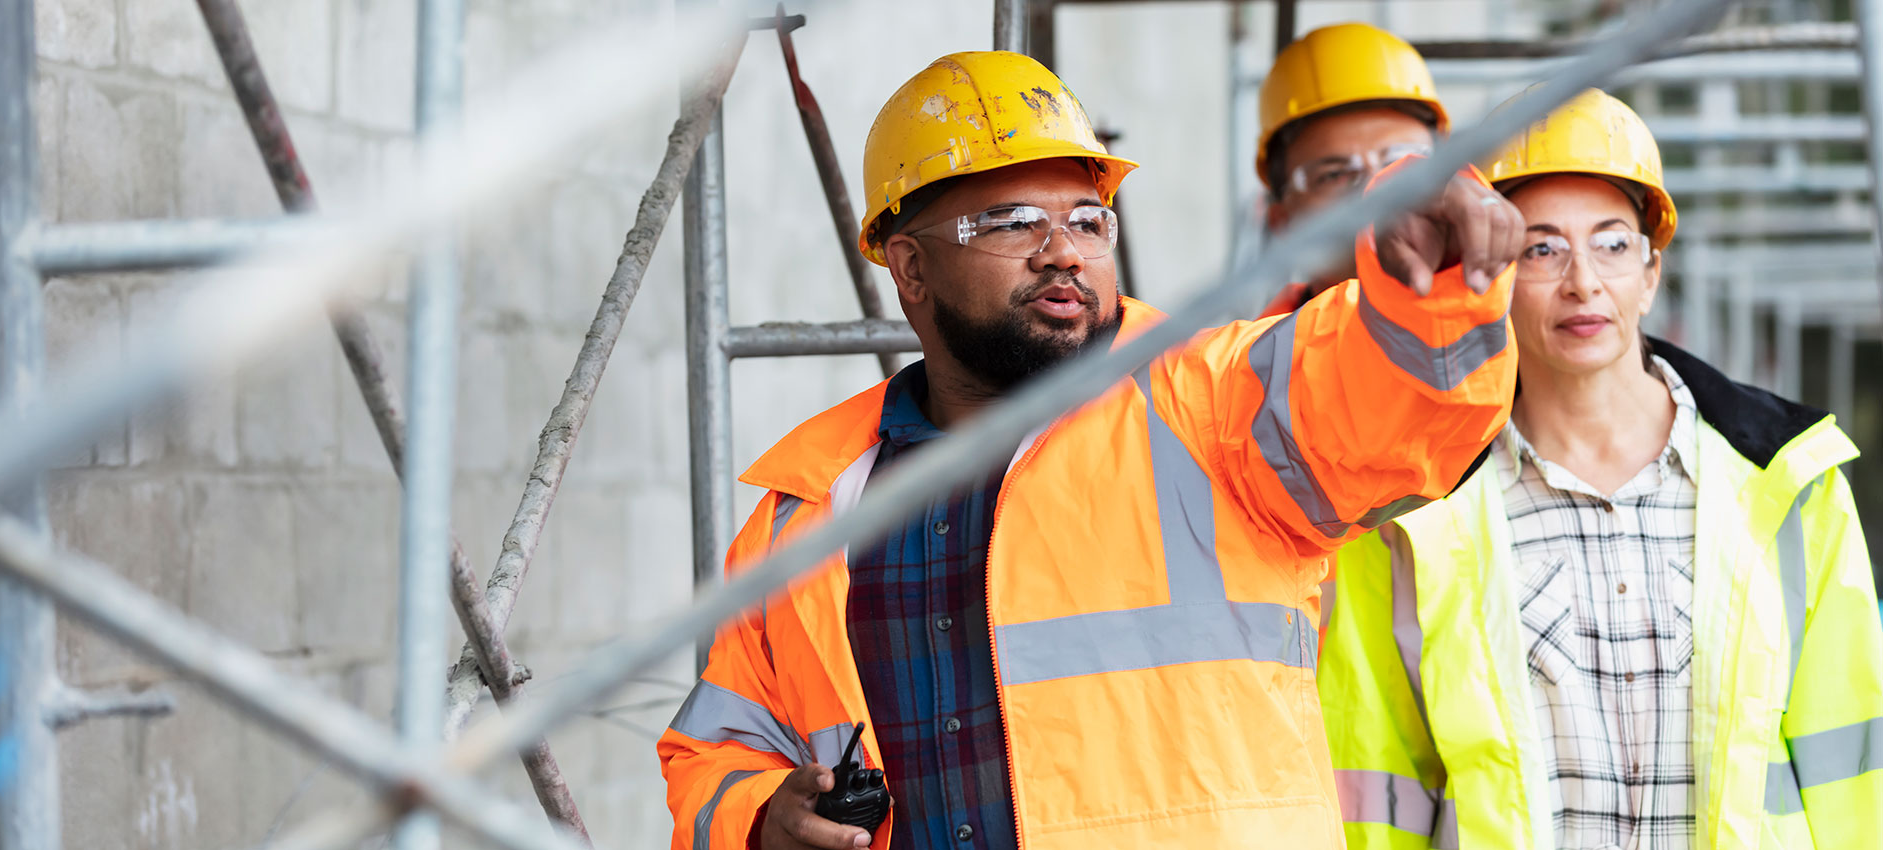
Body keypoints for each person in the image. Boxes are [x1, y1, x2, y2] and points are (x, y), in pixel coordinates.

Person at [660, 51, 1524, 850]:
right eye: (1010, 222)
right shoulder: (807, 509)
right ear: (909, 270)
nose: (1063, 250)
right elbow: (713, 751)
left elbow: (1396, 399)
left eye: (1087, 219)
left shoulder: (1211, 402)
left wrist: (1432, 284)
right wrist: (755, 816)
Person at [1318, 88, 1883, 850]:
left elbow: (1852, 767)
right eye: (1540, 248)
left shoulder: (1790, 484)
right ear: (1490, 276)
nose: (1582, 281)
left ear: (1649, 274)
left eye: (1612, 244)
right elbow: (1375, 785)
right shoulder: (1411, 514)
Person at [1255, 22, 1448, 319]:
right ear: (1283, 224)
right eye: (1335, 175)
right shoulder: (1256, 363)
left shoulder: (1521, 341)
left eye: (1401, 162)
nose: (1376, 190)